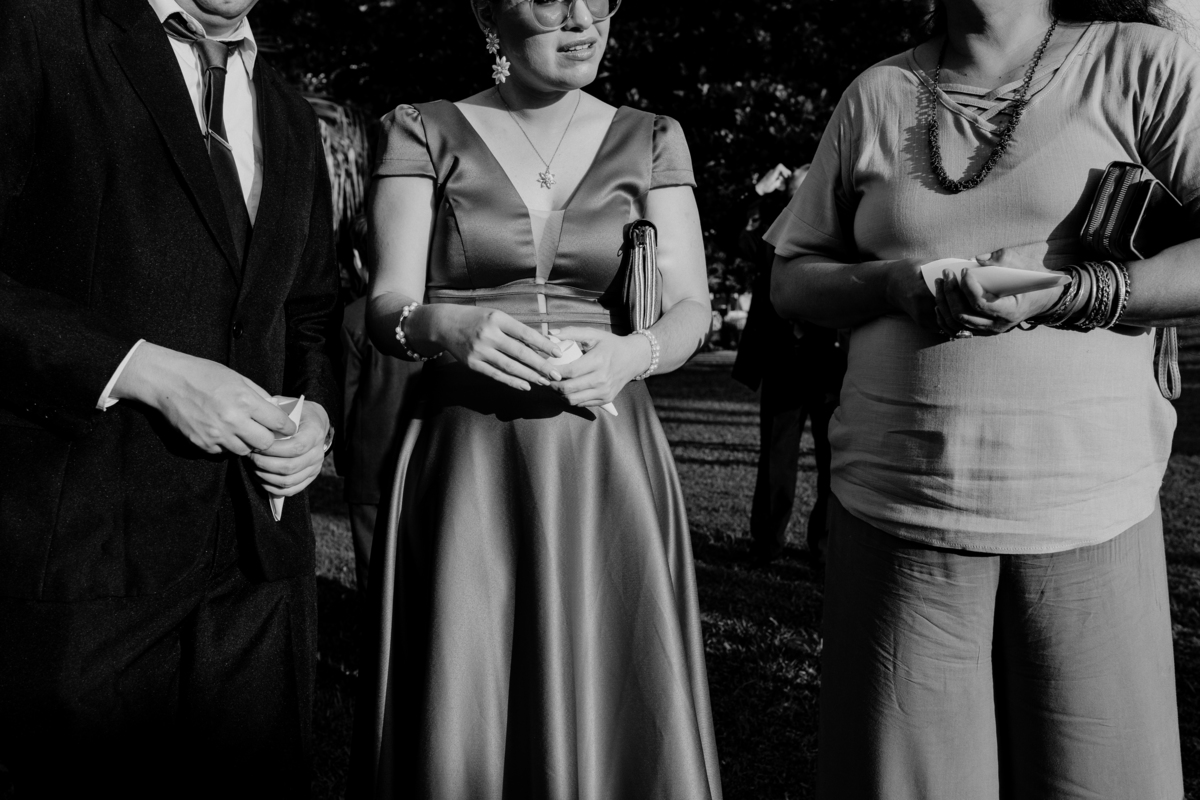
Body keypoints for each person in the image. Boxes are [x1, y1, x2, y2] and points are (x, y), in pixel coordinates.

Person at [768, 0, 1200, 796]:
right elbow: (792, 280)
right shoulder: (876, 92)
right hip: (895, 512)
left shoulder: (1142, 63)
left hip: (1086, 515)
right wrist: (893, 285)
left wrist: (1078, 291)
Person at [348, 0, 723, 797]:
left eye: (602, 2)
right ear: (491, 14)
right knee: (464, 683)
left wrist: (635, 353)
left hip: (605, 457)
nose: (584, 21)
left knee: (614, 681)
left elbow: (694, 307)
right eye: (556, 3)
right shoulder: (420, 130)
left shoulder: (654, 136)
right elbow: (388, 308)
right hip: (466, 460)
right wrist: (446, 328)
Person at [0, 0, 340, 797]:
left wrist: (318, 420)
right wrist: (142, 368)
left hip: (258, 578)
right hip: (84, 560)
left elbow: (313, 312)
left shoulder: (289, 113)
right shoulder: (39, 31)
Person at [731, 163, 846, 563]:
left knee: (832, 459)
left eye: (805, 192)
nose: (799, 200)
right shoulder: (775, 233)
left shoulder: (843, 231)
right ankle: (767, 543)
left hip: (829, 360)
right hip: (782, 358)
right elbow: (740, 241)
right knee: (777, 456)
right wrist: (759, 194)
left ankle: (826, 546)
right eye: (791, 194)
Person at [337, 218, 423, 591]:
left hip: (370, 469)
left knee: (374, 577)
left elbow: (343, 399)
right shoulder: (432, 319)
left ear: (358, 259)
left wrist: (342, 458)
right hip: (423, 461)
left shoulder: (352, 319)